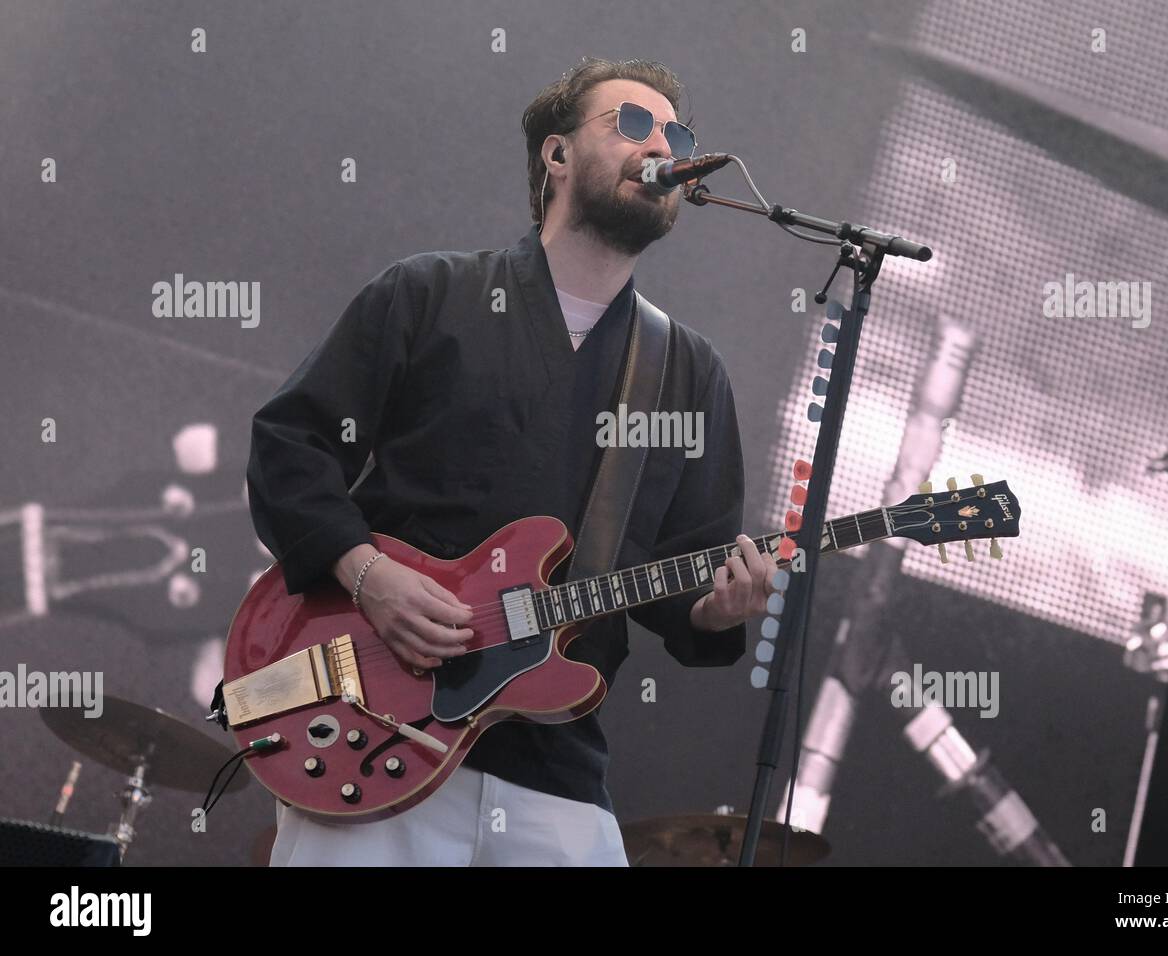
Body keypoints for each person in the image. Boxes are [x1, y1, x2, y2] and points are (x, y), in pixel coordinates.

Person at [246, 57, 778, 866]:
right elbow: (291, 447)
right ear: (556, 156)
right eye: (632, 124)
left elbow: (683, 572)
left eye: (677, 133)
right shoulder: (429, 294)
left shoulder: (687, 371)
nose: (662, 143)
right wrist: (367, 576)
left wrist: (718, 610)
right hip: (377, 729)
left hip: (556, 771)